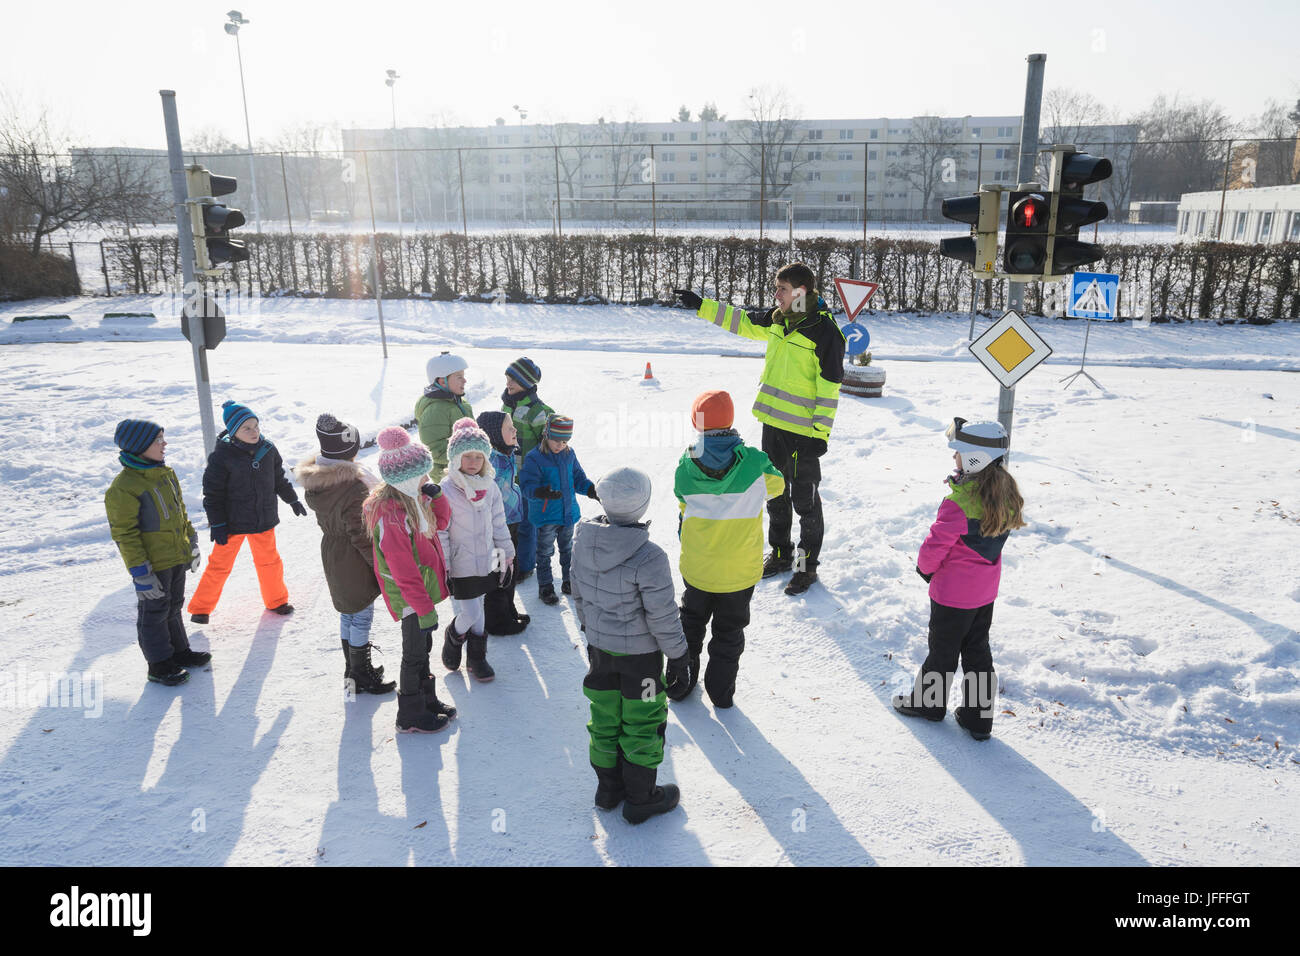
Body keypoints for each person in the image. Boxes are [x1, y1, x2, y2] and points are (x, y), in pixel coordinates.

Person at [675, 262, 845, 596]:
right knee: (775, 494)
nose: (775, 295)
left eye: (781, 289)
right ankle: (781, 555)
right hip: (774, 427)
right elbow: (741, 321)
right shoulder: (777, 320)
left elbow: (829, 391)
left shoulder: (825, 333)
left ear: (801, 292)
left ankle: (804, 567)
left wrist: (820, 436)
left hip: (803, 437)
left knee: (805, 503)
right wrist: (701, 306)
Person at [893, 418, 1025, 741]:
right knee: (978, 651)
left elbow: (934, 547)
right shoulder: (1006, 496)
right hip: (984, 595)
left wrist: (924, 568)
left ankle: (929, 704)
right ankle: (978, 719)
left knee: (942, 652)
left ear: (976, 459)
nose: (955, 459)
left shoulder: (959, 504)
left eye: (959, 454)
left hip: (952, 597)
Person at [572, 466, 689, 823]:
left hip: (600, 651)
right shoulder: (649, 557)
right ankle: (641, 797)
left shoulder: (583, 540)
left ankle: (608, 790)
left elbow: (577, 593)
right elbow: (662, 615)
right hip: (641, 660)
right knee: (643, 720)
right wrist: (679, 655)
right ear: (644, 506)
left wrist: (591, 629)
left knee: (605, 716)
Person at [670, 390, 785, 708]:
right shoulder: (755, 463)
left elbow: (682, 500)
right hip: (739, 573)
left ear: (697, 422)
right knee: (729, 631)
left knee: (690, 624)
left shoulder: (686, 464)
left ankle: (680, 681)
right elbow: (778, 487)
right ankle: (721, 692)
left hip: (698, 568)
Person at [364, 426, 457, 733]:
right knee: (414, 653)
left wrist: (438, 496)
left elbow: (441, 522)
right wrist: (423, 608)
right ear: (405, 479)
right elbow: (403, 571)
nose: (426, 481)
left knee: (424, 647)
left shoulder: (415, 501)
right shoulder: (392, 517)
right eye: (422, 476)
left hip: (423, 593)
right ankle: (410, 713)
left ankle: (427, 700)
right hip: (410, 598)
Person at [105, 420, 211, 686]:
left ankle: (179, 651)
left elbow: (180, 513)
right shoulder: (124, 488)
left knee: (174, 606)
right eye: (157, 440)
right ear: (139, 447)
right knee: (153, 612)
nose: (164, 444)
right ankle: (159, 664)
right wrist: (140, 572)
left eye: (163, 439)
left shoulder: (165, 473)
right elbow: (125, 535)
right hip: (152, 564)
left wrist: (192, 543)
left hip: (175, 556)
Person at [295, 413, 394, 695]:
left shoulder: (320, 482)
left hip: (333, 551)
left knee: (348, 613)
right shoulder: (351, 488)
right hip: (353, 558)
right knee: (361, 614)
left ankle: (352, 669)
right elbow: (361, 535)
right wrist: (380, 566)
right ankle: (360, 673)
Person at [188, 400, 305, 622]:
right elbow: (212, 494)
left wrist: (292, 500)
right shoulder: (221, 457)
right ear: (234, 432)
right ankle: (201, 608)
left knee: (269, 562)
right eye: (246, 428)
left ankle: (277, 601)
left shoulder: (268, 449)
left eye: (256, 426)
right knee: (219, 565)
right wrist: (218, 524)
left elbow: (278, 478)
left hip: (263, 519)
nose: (254, 432)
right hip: (232, 523)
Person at [437, 419, 514, 683]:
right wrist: (445, 564)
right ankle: (454, 636)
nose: (472, 462)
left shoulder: (489, 486)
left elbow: (498, 522)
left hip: (487, 560)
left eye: (478, 457)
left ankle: (477, 658)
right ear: (455, 458)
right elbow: (442, 531)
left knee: (479, 607)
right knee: (469, 612)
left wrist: (506, 553)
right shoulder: (446, 491)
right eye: (466, 456)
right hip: (460, 563)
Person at [517, 414, 598, 606]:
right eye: (556, 440)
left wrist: (589, 489)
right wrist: (540, 492)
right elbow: (526, 486)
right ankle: (545, 586)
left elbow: (578, 478)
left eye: (564, 441)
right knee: (544, 552)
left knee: (568, 549)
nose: (560, 445)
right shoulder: (535, 458)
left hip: (567, 514)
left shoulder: (569, 454)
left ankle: (569, 581)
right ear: (546, 435)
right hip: (546, 516)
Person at [499, 357, 553, 582]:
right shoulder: (507, 405)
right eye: (508, 378)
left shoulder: (538, 412)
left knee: (525, 524)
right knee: (508, 522)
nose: (508, 383)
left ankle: (526, 565)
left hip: (528, 479)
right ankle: (512, 560)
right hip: (508, 476)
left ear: (527, 383)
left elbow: (551, 446)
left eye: (514, 379)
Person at [477, 410, 530, 635]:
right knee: (501, 573)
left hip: (511, 522)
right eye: (509, 428)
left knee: (512, 568)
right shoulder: (491, 463)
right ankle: (497, 621)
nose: (515, 430)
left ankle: (508, 610)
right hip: (497, 528)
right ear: (494, 435)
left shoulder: (506, 453)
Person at [416, 351, 473, 483]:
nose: (465, 380)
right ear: (442, 382)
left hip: (466, 470)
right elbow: (435, 450)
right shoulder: (435, 410)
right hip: (447, 477)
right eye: (459, 377)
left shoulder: (461, 403)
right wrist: (468, 457)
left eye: (463, 376)